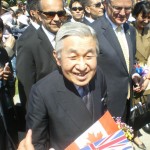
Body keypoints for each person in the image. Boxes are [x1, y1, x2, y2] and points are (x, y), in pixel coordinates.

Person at [26, 22, 107, 150]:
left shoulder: (99, 75)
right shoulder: (42, 92)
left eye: (89, 56)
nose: (82, 66)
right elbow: (36, 143)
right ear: (57, 58)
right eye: (73, 57)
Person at [16, 0, 68, 105]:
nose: (56, 19)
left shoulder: (71, 37)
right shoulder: (28, 44)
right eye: (50, 14)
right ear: (39, 15)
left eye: (60, 13)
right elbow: (27, 87)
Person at [0, 18, 18, 150]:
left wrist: (9, 77)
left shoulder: (3, 52)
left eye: (0, 31)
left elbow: (11, 85)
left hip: (7, 109)